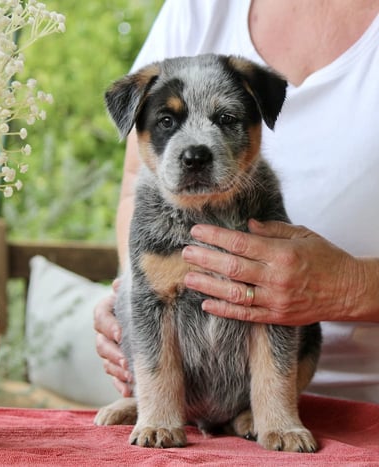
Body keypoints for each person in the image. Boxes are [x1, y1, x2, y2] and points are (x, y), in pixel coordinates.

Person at [94, 0, 379, 404]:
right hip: (187, 391)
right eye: (168, 122)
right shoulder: (199, 7)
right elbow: (132, 183)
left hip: (363, 397)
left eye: (226, 120)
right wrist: (135, 297)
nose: (194, 151)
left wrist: (352, 287)